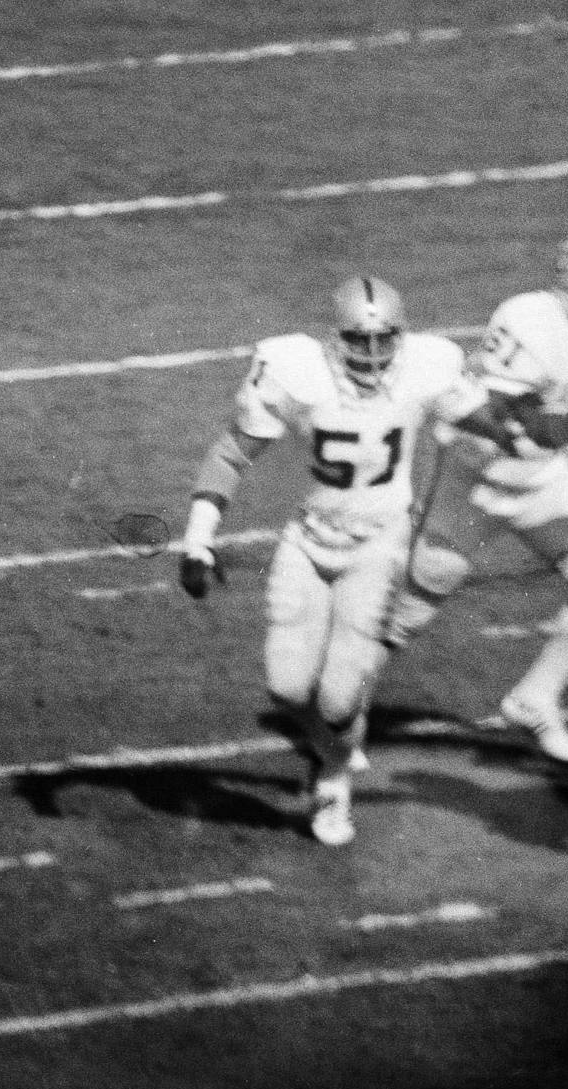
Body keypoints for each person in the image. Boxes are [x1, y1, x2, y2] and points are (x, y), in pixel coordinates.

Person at [178, 279, 474, 848]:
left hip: (379, 545)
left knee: (340, 697)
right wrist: (198, 541)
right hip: (309, 539)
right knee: (287, 689)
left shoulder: (428, 368)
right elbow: (231, 453)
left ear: (401, 337)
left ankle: (335, 778)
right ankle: (329, 748)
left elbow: (485, 420)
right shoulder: (296, 374)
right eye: (357, 342)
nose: (371, 356)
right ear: (332, 340)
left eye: (383, 340)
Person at [391, 234, 568, 772]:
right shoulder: (532, 321)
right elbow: (516, 430)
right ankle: (338, 711)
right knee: (411, 611)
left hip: (546, 482)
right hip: (475, 481)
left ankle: (534, 698)